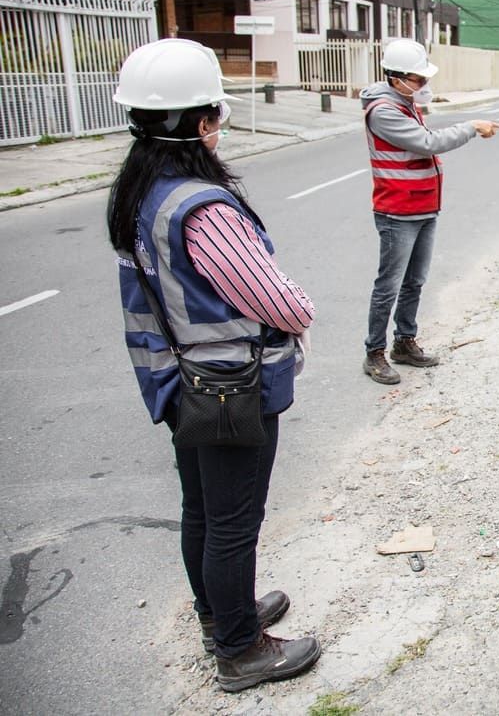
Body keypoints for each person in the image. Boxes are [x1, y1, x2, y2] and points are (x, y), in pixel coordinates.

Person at [106, 38, 319, 692]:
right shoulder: (202, 206)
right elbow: (280, 302)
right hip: (228, 387)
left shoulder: (140, 192)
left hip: (178, 381)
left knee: (202, 508)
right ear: (201, 123)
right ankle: (240, 649)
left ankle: (219, 615)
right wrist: (301, 307)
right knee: (232, 521)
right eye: (216, 114)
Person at [360, 39, 499, 385]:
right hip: (397, 209)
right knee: (389, 286)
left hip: (423, 205)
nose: (423, 85)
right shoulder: (384, 111)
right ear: (396, 78)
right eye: (417, 79)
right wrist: (471, 127)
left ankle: (404, 342)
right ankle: (374, 352)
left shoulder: (406, 103)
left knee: (415, 282)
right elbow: (428, 143)